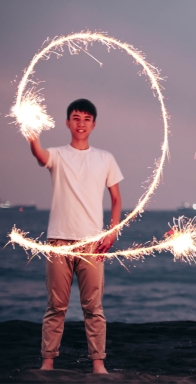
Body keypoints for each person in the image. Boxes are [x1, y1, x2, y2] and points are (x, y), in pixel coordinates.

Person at [29, 99, 123, 374]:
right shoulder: (57, 154)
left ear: (93, 124)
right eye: (75, 118)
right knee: (56, 305)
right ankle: (48, 361)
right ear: (67, 122)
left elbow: (116, 199)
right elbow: (39, 156)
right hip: (59, 241)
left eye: (86, 119)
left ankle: (98, 363)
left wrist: (112, 230)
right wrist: (32, 135)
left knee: (93, 306)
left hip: (93, 243)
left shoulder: (105, 158)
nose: (80, 123)